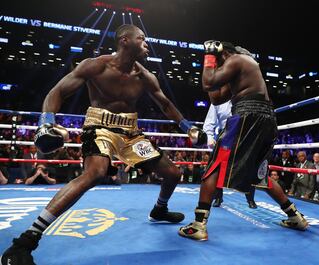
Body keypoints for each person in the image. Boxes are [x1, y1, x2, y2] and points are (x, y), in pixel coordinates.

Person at [1, 24, 207, 265]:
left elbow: (165, 104)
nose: (146, 43)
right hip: (99, 127)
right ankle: (26, 240)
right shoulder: (95, 65)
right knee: (95, 173)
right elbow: (57, 92)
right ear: (124, 41)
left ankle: (159, 209)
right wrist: (46, 123)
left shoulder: (145, 76)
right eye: (141, 38)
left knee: (174, 173)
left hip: (131, 133)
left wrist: (188, 127)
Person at [178, 41, 308, 241]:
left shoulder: (237, 58)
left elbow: (207, 83)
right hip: (266, 119)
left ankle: (198, 225)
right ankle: (295, 216)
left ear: (226, 53)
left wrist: (209, 55)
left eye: (220, 59)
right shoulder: (242, 75)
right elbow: (215, 98)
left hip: (246, 116)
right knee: (260, 174)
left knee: (214, 165)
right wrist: (214, 74)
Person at [203, 100, 257, 208]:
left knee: (248, 166)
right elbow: (210, 120)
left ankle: (250, 199)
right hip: (225, 134)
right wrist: (209, 136)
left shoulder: (245, 97)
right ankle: (218, 197)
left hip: (245, 135)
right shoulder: (217, 100)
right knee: (218, 167)